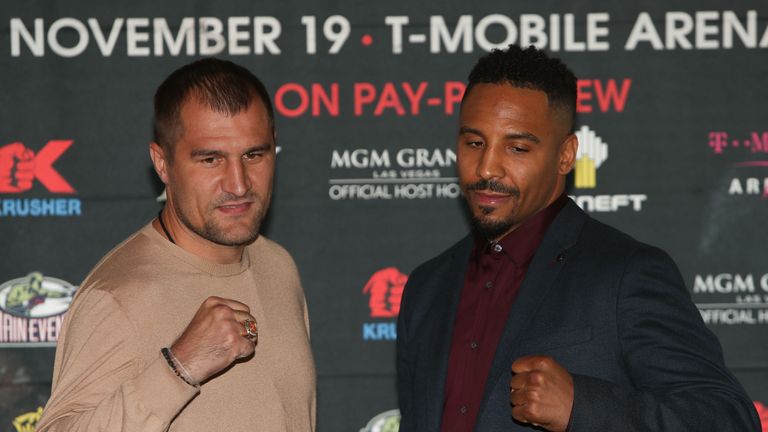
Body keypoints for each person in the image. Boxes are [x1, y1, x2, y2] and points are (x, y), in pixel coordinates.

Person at [396, 45, 760, 432]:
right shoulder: (427, 287)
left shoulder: (626, 274)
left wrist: (581, 406)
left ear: (566, 155)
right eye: (474, 143)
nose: (487, 166)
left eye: (517, 147)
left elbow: (728, 421)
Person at [37, 58, 316, 431]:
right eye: (211, 159)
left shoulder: (279, 266)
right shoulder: (118, 296)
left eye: (254, 155)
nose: (238, 183)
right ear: (163, 163)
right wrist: (178, 368)